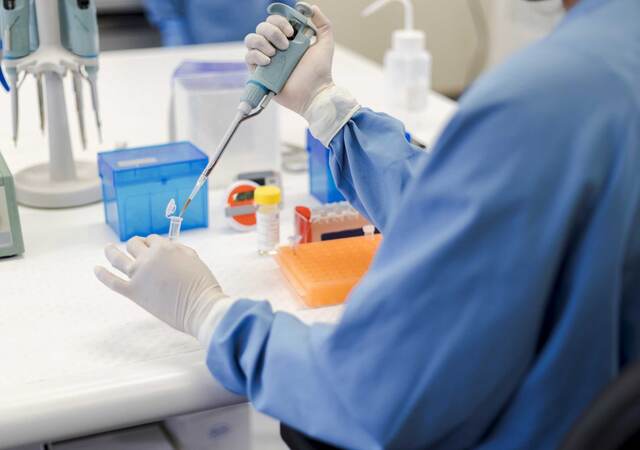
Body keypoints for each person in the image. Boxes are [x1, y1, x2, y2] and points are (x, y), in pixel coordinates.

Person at [95, 0, 640, 448]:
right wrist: (322, 104)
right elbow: (481, 212)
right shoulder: (607, 71)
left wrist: (211, 316)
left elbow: (368, 396)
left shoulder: (547, 97)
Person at [143, 0, 295, 46]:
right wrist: (181, 52)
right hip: (200, 52)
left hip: (262, 49)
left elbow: (286, 7)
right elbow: (168, 13)